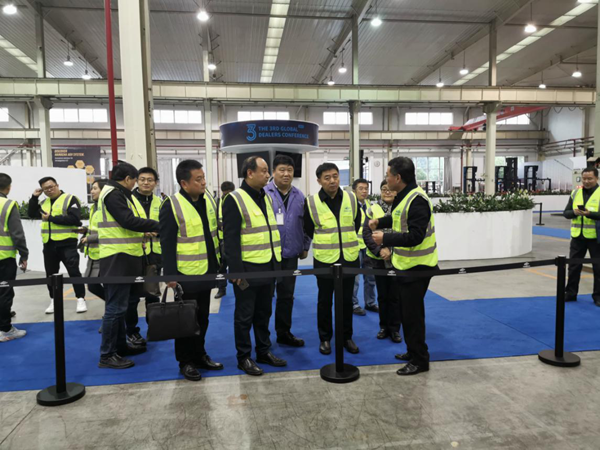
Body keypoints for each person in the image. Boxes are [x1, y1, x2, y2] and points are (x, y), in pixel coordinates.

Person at [370, 157, 438, 376]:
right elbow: (398, 219)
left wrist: (385, 239)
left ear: (398, 177)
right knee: (407, 313)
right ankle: (412, 351)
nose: (386, 178)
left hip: (418, 267)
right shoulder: (404, 196)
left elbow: (416, 236)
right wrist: (380, 222)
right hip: (405, 266)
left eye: (388, 175)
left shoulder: (417, 200)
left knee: (413, 316)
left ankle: (420, 360)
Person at [223, 156, 287, 376]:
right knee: (244, 316)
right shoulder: (234, 199)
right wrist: (235, 270)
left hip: (268, 265)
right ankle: (244, 357)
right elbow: (230, 238)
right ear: (250, 173)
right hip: (247, 270)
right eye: (264, 170)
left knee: (264, 313)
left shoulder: (265, 196)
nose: (268, 174)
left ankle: (263, 351)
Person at [160, 160, 224, 381]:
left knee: (203, 317)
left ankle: (200, 354)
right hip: (185, 273)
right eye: (198, 179)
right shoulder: (172, 205)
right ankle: (185, 361)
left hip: (207, 269)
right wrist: (170, 275)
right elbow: (167, 243)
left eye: (203, 177)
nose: (203, 182)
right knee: (186, 319)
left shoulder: (209, 201)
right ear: (184, 183)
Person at [97, 162, 160, 369]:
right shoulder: (113, 194)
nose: (136, 184)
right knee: (115, 309)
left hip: (126, 256)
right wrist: (159, 226)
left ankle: (119, 346)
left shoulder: (118, 194)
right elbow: (127, 221)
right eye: (135, 180)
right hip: (117, 257)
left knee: (121, 307)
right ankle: (107, 355)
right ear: (127, 179)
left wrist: (144, 231)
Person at [304, 163, 361, 355]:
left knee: (346, 301)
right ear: (319, 180)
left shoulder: (351, 198)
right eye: (327, 177)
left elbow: (357, 223)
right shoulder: (311, 202)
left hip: (349, 258)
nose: (332, 181)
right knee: (325, 301)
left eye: (335, 176)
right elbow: (308, 229)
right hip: (325, 260)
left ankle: (347, 337)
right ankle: (325, 338)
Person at [264, 155, 310, 347]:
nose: (286, 174)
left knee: (286, 296)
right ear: (273, 172)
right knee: (265, 298)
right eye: (282, 170)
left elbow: (306, 224)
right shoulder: (263, 194)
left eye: (289, 170)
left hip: (291, 254)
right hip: (267, 255)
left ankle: (284, 333)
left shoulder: (299, 196)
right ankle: (263, 338)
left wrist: (305, 246)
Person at [28, 176, 87, 314]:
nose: (49, 190)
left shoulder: (70, 199)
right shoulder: (44, 202)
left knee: (74, 272)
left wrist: (51, 218)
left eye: (51, 187)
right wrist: (34, 198)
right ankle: (54, 300)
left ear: (57, 185)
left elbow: (74, 219)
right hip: (49, 244)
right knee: (51, 274)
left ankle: (80, 299)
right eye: (45, 189)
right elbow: (31, 214)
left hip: (67, 243)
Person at [126, 167, 162, 346]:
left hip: (154, 254)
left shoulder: (160, 202)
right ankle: (132, 331)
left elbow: (167, 225)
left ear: (155, 183)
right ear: (136, 181)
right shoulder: (128, 200)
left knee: (152, 294)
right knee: (132, 297)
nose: (146, 183)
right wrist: (142, 231)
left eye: (150, 180)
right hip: (134, 253)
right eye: (142, 179)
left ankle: (154, 327)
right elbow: (124, 223)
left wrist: (157, 232)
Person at [363, 181, 402, 343]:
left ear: (396, 191)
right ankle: (384, 327)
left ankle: (395, 329)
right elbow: (366, 233)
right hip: (378, 259)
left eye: (390, 189)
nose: (387, 192)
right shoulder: (373, 209)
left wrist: (392, 250)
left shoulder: (402, 208)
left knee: (395, 296)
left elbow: (406, 233)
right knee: (383, 295)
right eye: (384, 189)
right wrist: (380, 250)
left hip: (398, 259)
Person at [563, 167, 600, 306]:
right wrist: (574, 212)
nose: (586, 181)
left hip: (596, 238)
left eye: (590, 178)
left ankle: (598, 296)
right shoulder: (575, 193)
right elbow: (566, 213)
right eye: (584, 178)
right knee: (573, 267)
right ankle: (570, 293)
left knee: (598, 268)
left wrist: (590, 214)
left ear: (597, 178)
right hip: (577, 237)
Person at [0, 173, 28, 342]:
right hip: (3, 257)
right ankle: (5, 329)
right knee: (4, 292)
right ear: (8, 187)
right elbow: (17, 233)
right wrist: (24, 254)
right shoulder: (8, 205)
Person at [351, 178, 377, 316]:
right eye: (361, 188)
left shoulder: (370, 206)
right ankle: (353, 304)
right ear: (354, 190)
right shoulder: (350, 206)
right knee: (355, 279)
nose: (364, 191)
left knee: (370, 277)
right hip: (355, 246)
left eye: (366, 188)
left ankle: (370, 302)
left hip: (368, 247)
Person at [80, 179, 107, 302]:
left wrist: (89, 238)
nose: (91, 191)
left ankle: (115, 309)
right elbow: (96, 227)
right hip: (93, 254)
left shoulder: (107, 207)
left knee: (106, 286)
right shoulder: (94, 207)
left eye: (95, 188)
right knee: (92, 285)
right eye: (91, 188)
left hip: (105, 253)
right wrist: (85, 230)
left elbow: (111, 231)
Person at [215, 181, 235, 299]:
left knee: (235, 265)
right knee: (221, 266)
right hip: (221, 240)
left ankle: (239, 287)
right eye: (225, 193)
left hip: (234, 240)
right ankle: (221, 288)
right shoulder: (218, 202)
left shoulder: (237, 201)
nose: (227, 195)